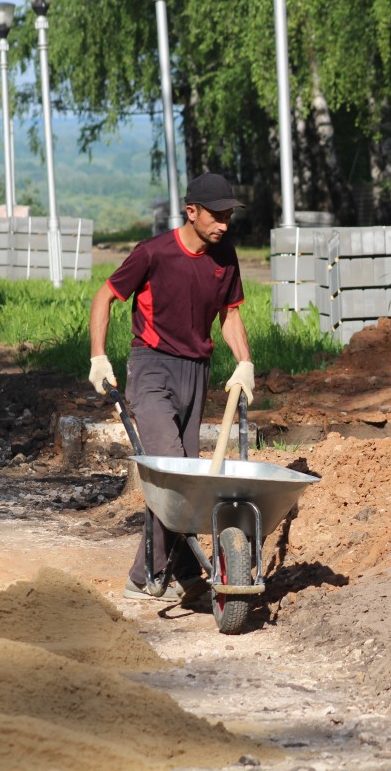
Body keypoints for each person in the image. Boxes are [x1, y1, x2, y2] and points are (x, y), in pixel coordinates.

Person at [87, 172, 255, 603]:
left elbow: (230, 316)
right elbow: (105, 296)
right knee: (173, 472)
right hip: (152, 369)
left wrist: (244, 363)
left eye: (228, 215)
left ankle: (182, 570)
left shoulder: (226, 256)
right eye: (216, 214)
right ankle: (143, 576)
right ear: (191, 211)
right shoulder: (153, 253)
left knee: (187, 478)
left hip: (196, 372)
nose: (223, 223)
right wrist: (98, 356)